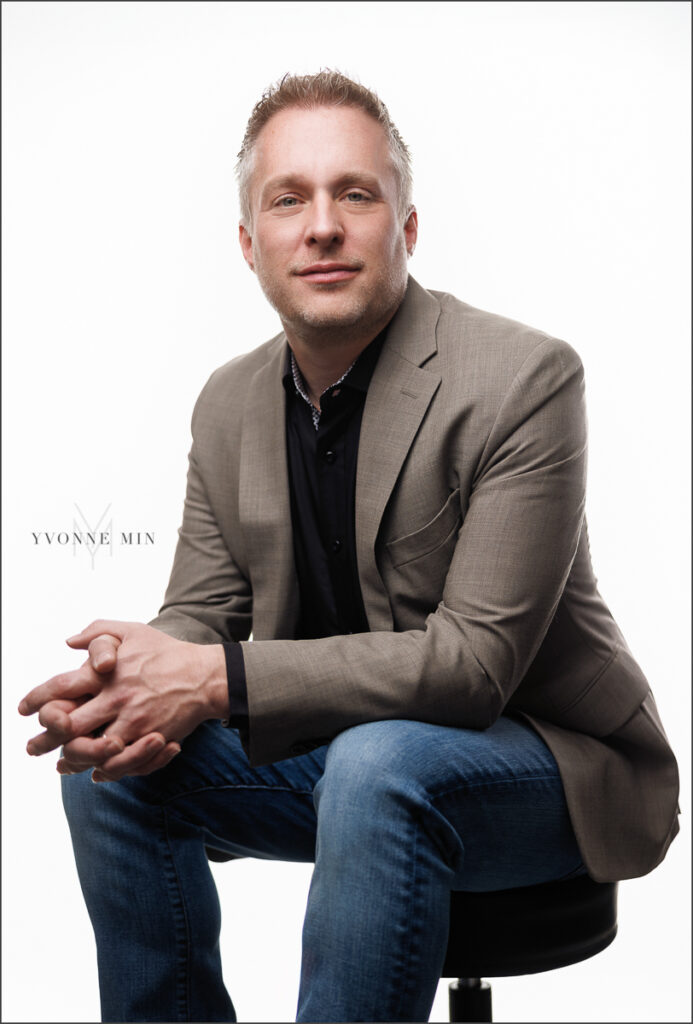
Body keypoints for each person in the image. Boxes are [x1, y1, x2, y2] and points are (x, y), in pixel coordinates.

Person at [19, 71, 679, 1023]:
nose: (320, 226)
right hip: (348, 761)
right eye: (287, 200)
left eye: (354, 194)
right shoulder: (229, 402)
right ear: (250, 245)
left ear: (405, 229)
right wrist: (133, 674)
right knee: (115, 762)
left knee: (377, 765)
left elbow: (471, 670)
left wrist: (211, 678)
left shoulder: (524, 378)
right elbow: (204, 611)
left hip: (551, 768)